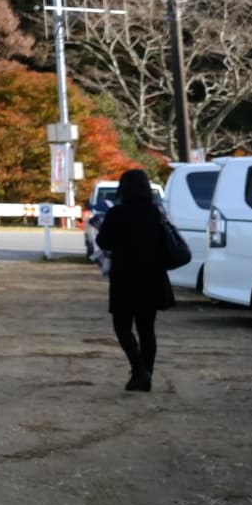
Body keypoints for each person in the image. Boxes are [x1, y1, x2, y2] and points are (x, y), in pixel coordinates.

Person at [95, 168, 175, 392]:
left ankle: (139, 370)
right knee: (147, 328)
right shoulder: (155, 212)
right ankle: (146, 374)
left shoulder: (117, 213)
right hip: (152, 276)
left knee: (122, 326)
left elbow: (102, 241)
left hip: (124, 277)